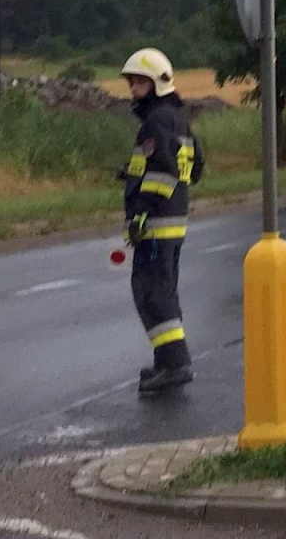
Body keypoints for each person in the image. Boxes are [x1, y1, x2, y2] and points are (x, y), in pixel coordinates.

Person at [118, 47, 200, 394]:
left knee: (151, 291)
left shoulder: (157, 121)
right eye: (131, 81)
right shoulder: (177, 118)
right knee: (162, 289)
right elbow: (195, 166)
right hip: (172, 220)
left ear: (157, 83)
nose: (133, 87)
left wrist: (141, 212)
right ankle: (166, 361)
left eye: (139, 81)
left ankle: (176, 363)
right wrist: (132, 173)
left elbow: (164, 170)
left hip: (156, 223)